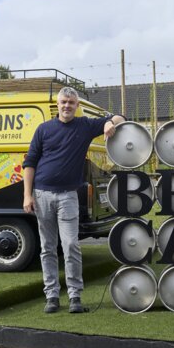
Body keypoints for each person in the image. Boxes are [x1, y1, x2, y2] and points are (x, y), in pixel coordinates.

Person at [22, 87, 125, 313]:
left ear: (77, 105)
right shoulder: (43, 129)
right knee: (48, 248)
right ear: (57, 105)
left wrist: (110, 123)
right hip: (41, 194)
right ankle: (51, 296)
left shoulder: (85, 126)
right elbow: (29, 163)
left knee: (70, 245)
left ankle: (75, 296)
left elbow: (121, 117)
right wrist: (27, 195)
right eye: (63, 102)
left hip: (68, 196)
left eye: (71, 102)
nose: (67, 106)